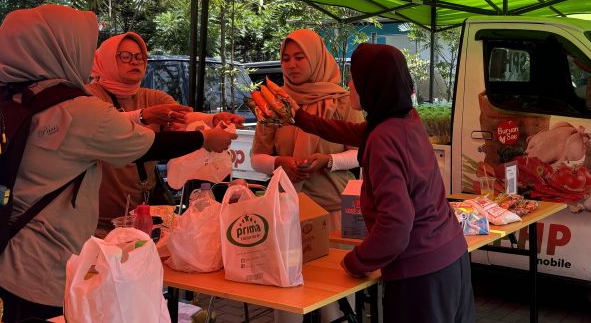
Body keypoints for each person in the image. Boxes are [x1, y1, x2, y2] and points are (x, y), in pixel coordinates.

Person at [0, 5, 236, 322]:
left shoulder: (2, 97)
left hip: (0, 250)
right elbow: (148, 144)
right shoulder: (77, 109)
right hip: (44, 266)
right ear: (60, 48)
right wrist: (205, 140)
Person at [288, 43, 473, 322]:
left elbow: (397, 223)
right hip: (451, 258)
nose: (349, 84)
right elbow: (352, 131)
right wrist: (300, 118)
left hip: (420, 275)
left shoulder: (384, 139)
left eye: (355, 78)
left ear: (372, 85)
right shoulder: (405, 120)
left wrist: (357, 260)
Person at [89, 32, 244, 235]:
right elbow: (107, 126)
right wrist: (144, 116)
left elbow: (183, 117)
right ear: (105, 60)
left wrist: (213, 120)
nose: (134, 62)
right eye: (125, 56)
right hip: (95, 224)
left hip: (142, 218)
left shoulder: (153, 97)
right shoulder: (90, 96)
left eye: (140, 57)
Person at [251, 29, 363, 234]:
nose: (291, 64)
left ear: (316, 58)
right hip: (286, 208)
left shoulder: (342, 101)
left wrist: (328, 160)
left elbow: (361, 153)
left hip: (333, 209)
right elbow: (257, 158)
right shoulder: (276, 103)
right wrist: (279, 162)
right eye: (285, 59)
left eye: (299, 57)